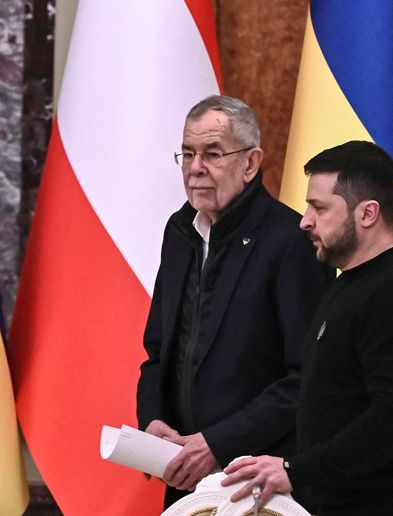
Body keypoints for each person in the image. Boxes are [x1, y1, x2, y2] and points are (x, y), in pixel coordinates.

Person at [222, 140, 393, 515]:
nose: (304, 220)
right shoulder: (349, 282)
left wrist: (294, 470)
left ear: (367, 214)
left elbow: (392, 422)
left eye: (319, 207)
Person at [136, 95, 333, 508]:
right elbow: (158, 352)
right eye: (187, 154)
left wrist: (217, 442)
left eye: (212, 154)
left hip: (256, 481)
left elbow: (308, 379)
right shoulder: (179, 232)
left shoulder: (290, 242)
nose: (195, 168)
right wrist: (152, 421)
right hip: (184, 478)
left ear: (250, 162)